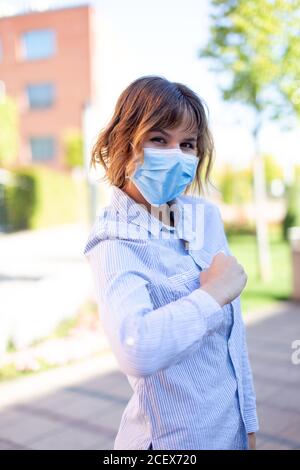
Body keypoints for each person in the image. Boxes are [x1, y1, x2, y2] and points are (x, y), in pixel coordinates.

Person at [83, 75, 259, 450]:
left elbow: (233, 342)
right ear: (125, 144)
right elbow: (136, 348)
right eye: (159, 139)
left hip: (233, 436)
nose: (176, 154)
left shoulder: (205, 218)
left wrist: (250, 424)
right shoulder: (113, 240)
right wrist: (211, 295)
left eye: (188, 144)